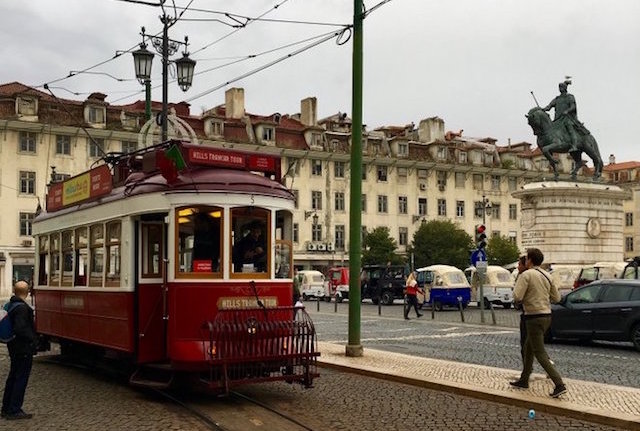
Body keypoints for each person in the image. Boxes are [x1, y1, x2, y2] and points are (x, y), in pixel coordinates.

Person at [510, 248, 566, 398]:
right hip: (547, 315)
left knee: (539, 352)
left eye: (526, 258)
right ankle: (524, 379)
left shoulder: (526, 275)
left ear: (529, 260)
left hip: (533, 316)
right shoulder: (548, 275)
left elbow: (517, 296)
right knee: (528, 348)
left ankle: (559, 383)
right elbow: (557, 298)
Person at [2, 280, 37, 420]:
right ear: (27, 292)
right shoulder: (22, 308)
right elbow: (20, 328)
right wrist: (33, 339)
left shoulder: (10, 304)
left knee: (13, 377)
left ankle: (6, 407)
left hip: (13, 347)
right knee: (20, 378)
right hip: (23, 348)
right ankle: (14, 409)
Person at [542, 80, 582, 153]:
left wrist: (567, 111)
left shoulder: (570, 97)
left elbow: (573, 106)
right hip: (558, 119)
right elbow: (549, 106)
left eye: (561, 87)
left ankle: (574, 145)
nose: (560, 89)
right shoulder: (557, 99)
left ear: (565, 88)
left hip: (567, 118)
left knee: (569, 127)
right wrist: (543, 109)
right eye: (559, 87)